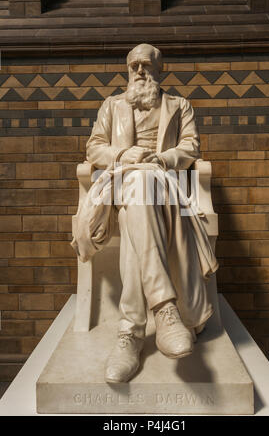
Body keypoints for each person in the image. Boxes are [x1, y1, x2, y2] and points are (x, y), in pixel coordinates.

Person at [72, 43, 218, 383]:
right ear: (127, 70)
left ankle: (131, 333)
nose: (140, 71)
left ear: (159, 69)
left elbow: (190, 146)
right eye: (134, 65)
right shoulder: (112, 106)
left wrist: (163, 159)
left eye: (147, 65)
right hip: (119, 184)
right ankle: (165, 311)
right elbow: (94, 146)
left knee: (141, 195)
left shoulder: (178, 105)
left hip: (163, 185)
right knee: (137, 184)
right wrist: (125, 155)